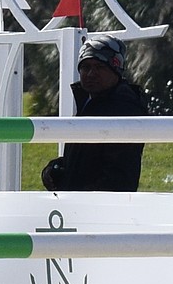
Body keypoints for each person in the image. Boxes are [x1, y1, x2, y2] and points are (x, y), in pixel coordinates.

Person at [41, 34, 149, 192]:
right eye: (86, 67)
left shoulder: (123, 108)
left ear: (116, 69)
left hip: (103, 209)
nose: (91, 74)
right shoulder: (92, 102)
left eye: (99, 67)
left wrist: (78, 197)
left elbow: (119, 175)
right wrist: (56, 169)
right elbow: (90, 160)